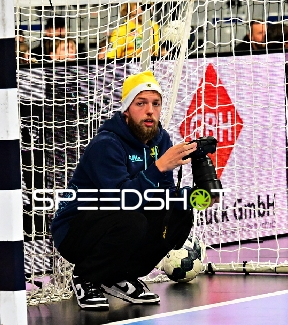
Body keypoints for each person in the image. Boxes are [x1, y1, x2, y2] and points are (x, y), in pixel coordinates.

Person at [50, 71, 196, 310]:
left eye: (155, 104)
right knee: (132, 220)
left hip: (120, 219)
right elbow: (123, 199)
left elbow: (166, 192)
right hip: (75, 230)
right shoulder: (107, 144)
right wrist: (159, 167)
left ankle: (121, 275)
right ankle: (86, 277)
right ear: (127, 109)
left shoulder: (161, 140)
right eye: (141, 103)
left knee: (179, 213)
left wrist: (193, 196)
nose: (150, 111)